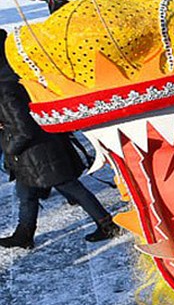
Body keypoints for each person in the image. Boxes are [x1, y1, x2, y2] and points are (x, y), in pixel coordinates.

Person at [0, 36, 118, 248]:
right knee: (26, 194)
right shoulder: (17, 73)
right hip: (39, 149)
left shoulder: (5, 89)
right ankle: (24, 234)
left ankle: (106, 223)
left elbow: (23, 128)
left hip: (37, 152)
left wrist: (9, 147)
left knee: (70, 187)